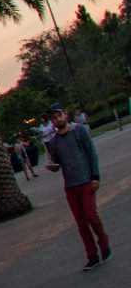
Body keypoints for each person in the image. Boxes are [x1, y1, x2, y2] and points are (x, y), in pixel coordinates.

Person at [48, 105, 109, 270]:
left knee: (91, 216)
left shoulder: (79, 131)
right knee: (81, 224)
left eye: (59, 115)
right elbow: (56, 162)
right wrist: (52, 167)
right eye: (54, 117)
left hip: (86, 181)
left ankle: (103, 241)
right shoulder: (53, 142)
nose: (57, 119)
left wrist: (95, 177)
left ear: (65, 114)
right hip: (70, 186)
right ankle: (92, 255)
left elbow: (91, 153)